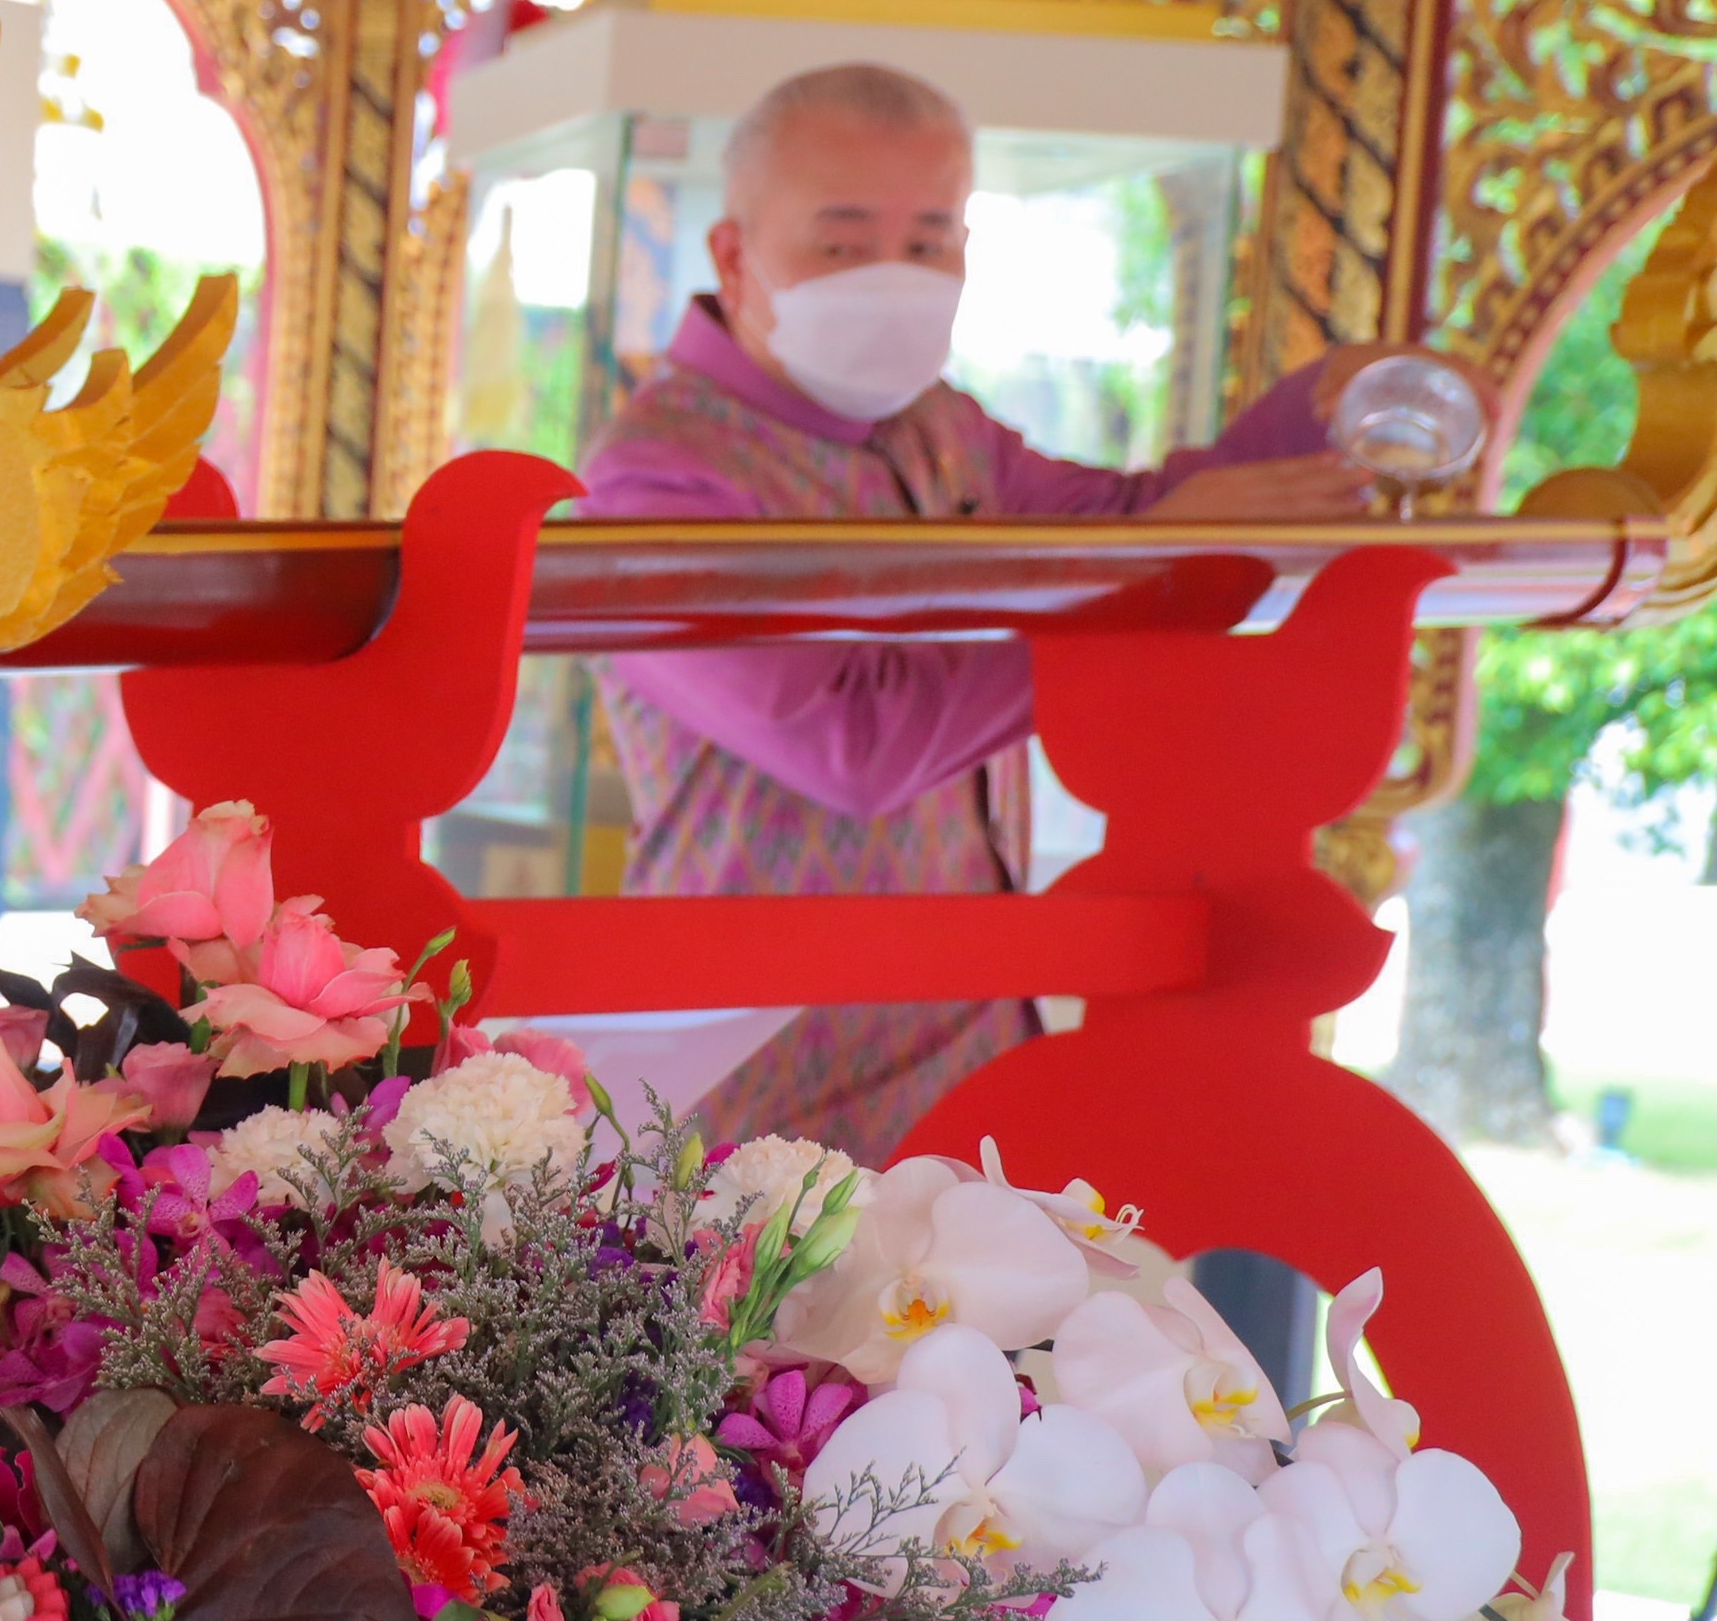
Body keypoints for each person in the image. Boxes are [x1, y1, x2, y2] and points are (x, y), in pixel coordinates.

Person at [581, 60, 1463, 1166]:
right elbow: (853, 744)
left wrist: (1319, 411)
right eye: (843, 244)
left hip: (968, 1023)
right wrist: (1144, 590)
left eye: (930, 239)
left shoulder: (946, 428)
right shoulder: (660, 477)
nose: (892, 279)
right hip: (744, 1055)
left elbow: (1135, 521)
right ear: (734, 252)